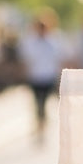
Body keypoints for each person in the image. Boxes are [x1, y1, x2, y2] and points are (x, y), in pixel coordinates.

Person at [16, 9, 68, 143]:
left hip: (48, 76)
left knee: (44, 103)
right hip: (35, 77)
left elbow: (60, 57)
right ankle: (40, 126)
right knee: (37, 104)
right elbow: (25, 58)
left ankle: (43, 126)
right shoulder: (30, 41)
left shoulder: (54, 40)